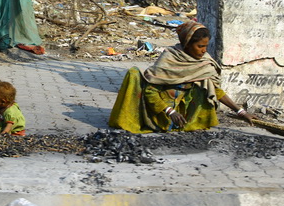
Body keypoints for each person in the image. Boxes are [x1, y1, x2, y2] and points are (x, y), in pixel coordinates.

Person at [108, 21, 255, 133]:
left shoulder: (204, 62)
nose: (204, 51)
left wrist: (240, 112)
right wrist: (169, 111)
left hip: (184, 109)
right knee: (134, 72)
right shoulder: (170, 58)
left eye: (206, 46)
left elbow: (216, 91)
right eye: (200, 46)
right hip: (160, 110)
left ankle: (191, 122)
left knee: (205, 86)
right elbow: (150, 91)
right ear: (186, 44)